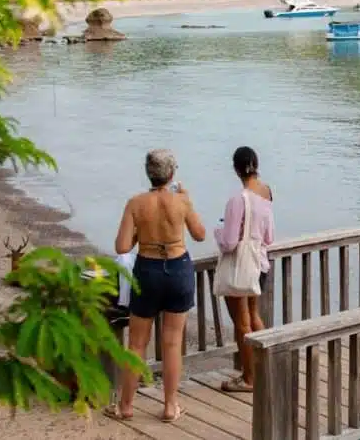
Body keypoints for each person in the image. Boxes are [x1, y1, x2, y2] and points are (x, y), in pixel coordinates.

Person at [105, 149, 205, 423]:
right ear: (172, 173)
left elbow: (122, 246)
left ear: (149, 173)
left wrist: (143, 232)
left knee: (137, 343)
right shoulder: (181, 201)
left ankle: (125, 406)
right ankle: (171, 406)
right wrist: (187, 200)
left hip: (147, 270)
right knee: (172, 342)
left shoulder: (136, 203)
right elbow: (199, 234)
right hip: (177, 268)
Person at [214, 146, 274, 393]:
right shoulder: (267, 194)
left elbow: (229, 242)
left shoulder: (237, 200)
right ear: (256, 165)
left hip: (241, 266)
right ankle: (264, 370)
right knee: (253, 315)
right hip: (260, 263)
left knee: (241, 323)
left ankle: (249, 378)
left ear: (236, 169)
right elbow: (269, 237)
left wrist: (218, 232)